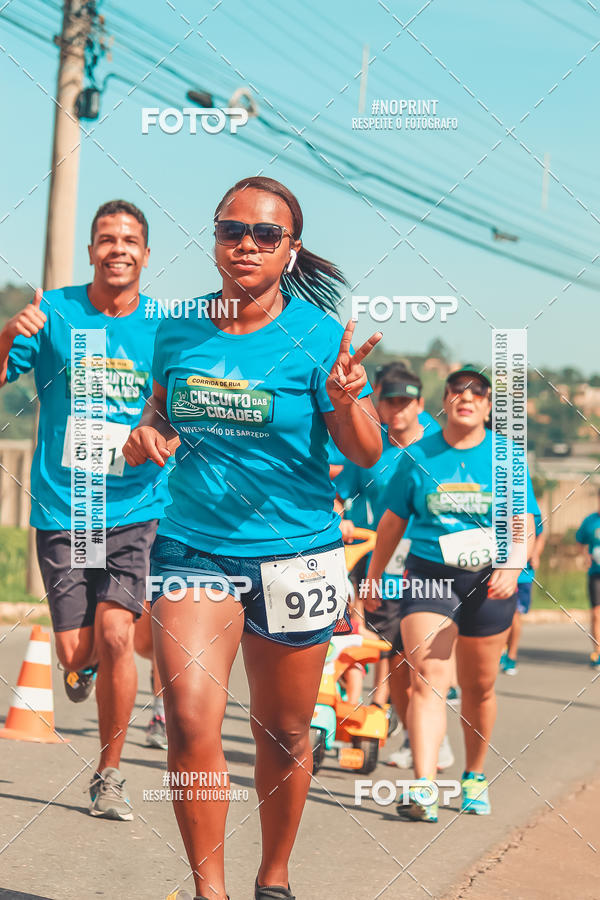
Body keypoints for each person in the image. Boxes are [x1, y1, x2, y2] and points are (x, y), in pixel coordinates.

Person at [123, 176, 382, 900]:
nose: (245, 244)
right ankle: (212, 891)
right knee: (189, 718)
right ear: (214, 241)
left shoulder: (319, 338)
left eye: (265, 234)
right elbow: (162, 415)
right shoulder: (177, 328)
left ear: (290, 249)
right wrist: (148, 433)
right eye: (231, 229)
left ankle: (275, 877)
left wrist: (346, 401)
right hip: (193, 547)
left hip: (296, 555)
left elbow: (363, 453)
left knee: (286, 732)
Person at [0, 200, 171, 819]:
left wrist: (161, 436)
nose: (118, 248)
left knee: (120, 633)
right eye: (106, 238)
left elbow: (180, 406)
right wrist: (7, 334)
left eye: (130, 239)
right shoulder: (55, 312)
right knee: (77, 654)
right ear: (92, 251)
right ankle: (82, 668)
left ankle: (110, 774)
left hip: (134, 504)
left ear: (146, 255)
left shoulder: (165, 327)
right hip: (65, 506)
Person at [366, 364, 535, 822]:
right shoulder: (418, 455)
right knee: (427, 676)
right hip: (429, 575)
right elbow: (393, 520)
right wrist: (375, 575)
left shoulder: (507, 457)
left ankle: (475, 774)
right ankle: (423, 786)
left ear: (486, 405)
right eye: (457, 390)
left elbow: (525, 518)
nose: (467, 396)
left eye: (477, 391)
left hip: (489, 580)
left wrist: (513, 565)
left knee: (479, 688)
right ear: (445, 402)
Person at [335, 364, 454, 770]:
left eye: (406, 401)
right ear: (380, 406)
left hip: (428, 567)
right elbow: (340, 493)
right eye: (390, 401)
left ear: (420, 404)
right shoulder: (370, 448)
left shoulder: (440, 449)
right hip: (375, 563)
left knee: (417, 660)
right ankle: (410, 729)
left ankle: (430, 740)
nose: (398, 410)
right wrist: (341, 517)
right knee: (392, 653)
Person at [500, 503, 545, 675]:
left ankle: (511, 655)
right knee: (502, 614)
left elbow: (539, 535)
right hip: (500, 569)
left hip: (523, 574)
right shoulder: (496, 505)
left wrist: (535, 553)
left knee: (514, 615)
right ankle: (502, 651)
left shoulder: (528, 508)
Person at [575, 493, 600, 668]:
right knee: (596, 614)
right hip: (595, 574)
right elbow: (579, 541)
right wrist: (585, 555)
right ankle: (597, 653)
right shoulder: (590, 521)